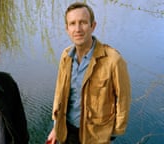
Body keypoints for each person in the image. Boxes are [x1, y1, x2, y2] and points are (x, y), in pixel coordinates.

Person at [47, 2, 131, 144]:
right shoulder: (66, 56)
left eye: (83, 22)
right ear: (67, 29)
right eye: (72, 24)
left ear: (93, 26)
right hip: (68, 132)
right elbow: (59, 92)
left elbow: (123, 99)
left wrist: (112, 133)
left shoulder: (113, 60)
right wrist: (56, 126)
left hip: (96, 137)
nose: (78, 29)